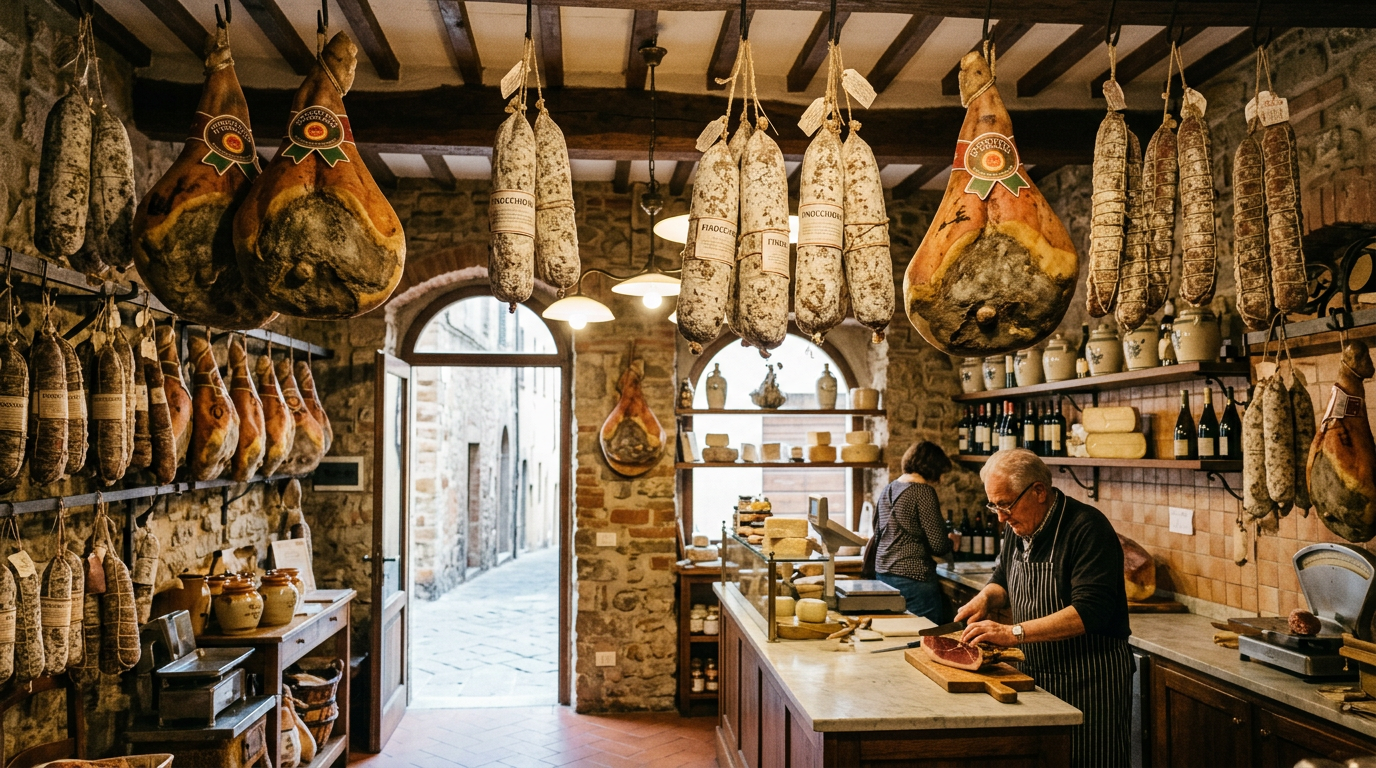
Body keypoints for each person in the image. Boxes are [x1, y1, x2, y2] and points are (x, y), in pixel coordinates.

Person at [955, 448, 1132, 768]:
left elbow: (1091, 610)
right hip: (1034, 675)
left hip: (1090, 681)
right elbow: (1002, 578)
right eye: (994, 505)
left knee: (1089, 760)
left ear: (1038, 491)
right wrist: (986, 598)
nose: (1000, 517)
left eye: (1005, 504)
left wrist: (1013, 632)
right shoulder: (1015, 526)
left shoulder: (1086, 527)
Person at [871, 441, 960, 621]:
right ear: (932, 468)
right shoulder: (922, 491)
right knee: (924, 636)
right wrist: (952, 541)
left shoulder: (889, 488)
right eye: (940, 473)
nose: (940, 480)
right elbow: (938, 545)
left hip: (883, 573)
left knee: (898, 635)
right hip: (913, 577)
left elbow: (877, 528)